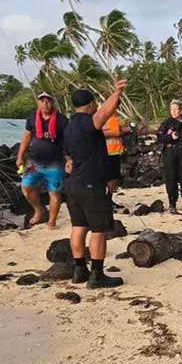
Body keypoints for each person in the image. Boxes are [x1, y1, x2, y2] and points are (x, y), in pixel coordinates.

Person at [61, 79, 127, 289]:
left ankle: (80, 270)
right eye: (95, 103)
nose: (97, 106)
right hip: (90, 183)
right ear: (90, 104)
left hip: (73, 183)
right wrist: (117, 92)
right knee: (99, 229)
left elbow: (68, 157)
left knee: (79, 226)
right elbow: (102, 115)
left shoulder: (70, 127)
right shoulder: (85, 121)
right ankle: (97, 275)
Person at [16, 92, 69, 228]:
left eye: (48, 101)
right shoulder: (32, 118)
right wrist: (20, 156)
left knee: (55, 193)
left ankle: (52, 221)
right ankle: (39, 210)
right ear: (38, 103)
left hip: (55, 163)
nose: (45, 104)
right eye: (42, 101)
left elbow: (68, 141)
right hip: (33, 161)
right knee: (26, 188)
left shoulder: (62, 120)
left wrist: (69, 159)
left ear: (53, 103)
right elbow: (26, 137)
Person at [103, 111, 130, 194]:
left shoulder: (109, 120)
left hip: (113, 151)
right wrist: (125, 131)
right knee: (112, 177)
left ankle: (109, 199)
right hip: (110, 152)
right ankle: (108, 199)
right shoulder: (108, 119)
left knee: (113, 176)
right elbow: (116, 132)